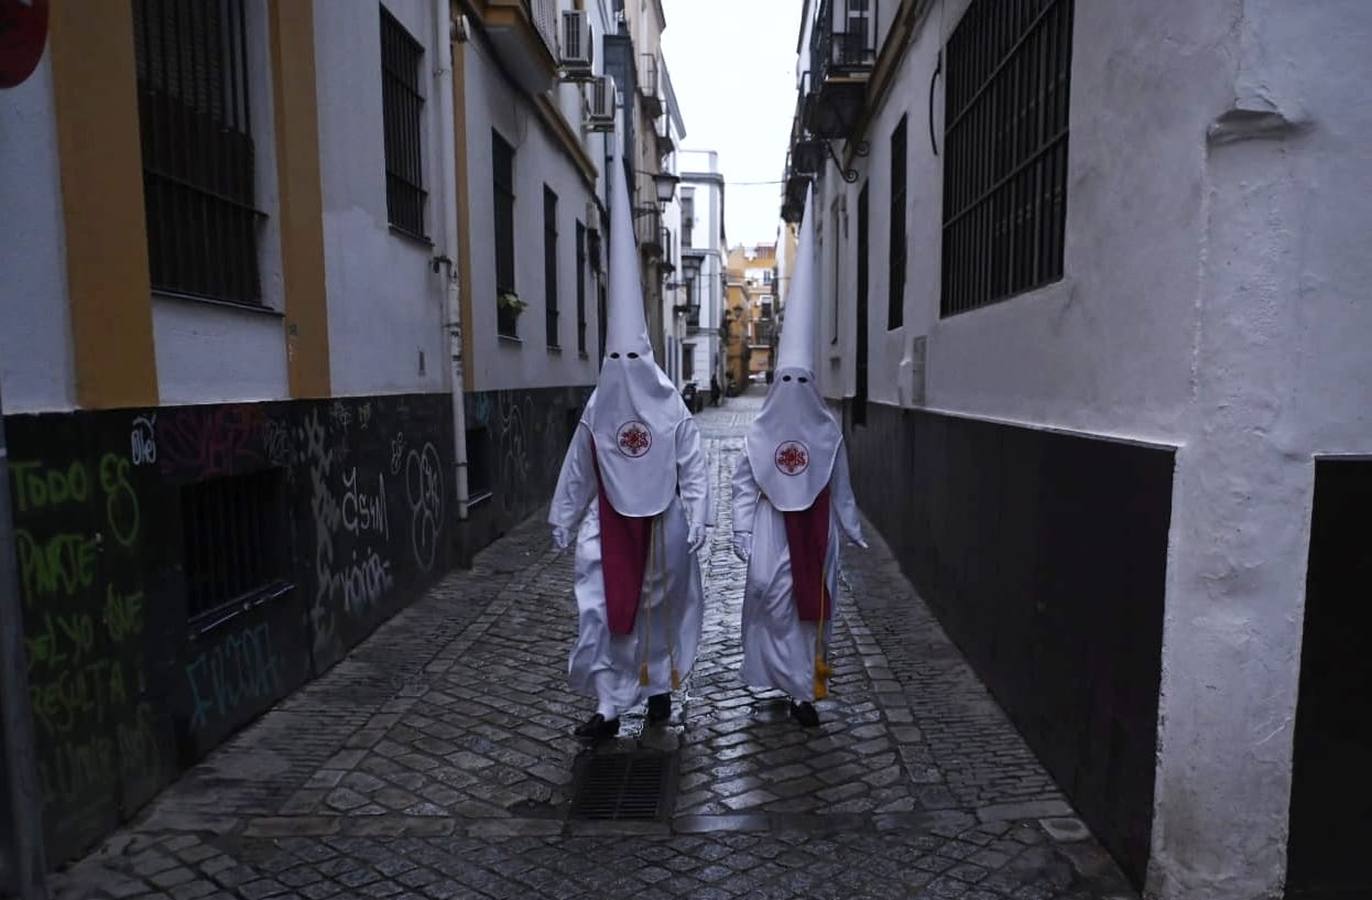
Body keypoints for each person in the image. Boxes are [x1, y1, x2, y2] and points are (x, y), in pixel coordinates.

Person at [549, 150, 712, 742]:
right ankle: (609, 707)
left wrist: (700, 516)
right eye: (612, 359)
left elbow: (694, 465)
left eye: (630, 358)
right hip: (609, 523)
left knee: (658, 614)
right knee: (602, 611)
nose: (621, 368)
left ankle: (661, 688)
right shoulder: (598, 407)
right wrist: (565, 517)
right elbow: (578, 468)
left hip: (663, 524)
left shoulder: (670, 405)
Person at [731, 188, 865, 728]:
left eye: (799, 380)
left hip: (815, 530)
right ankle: (774, 676)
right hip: (770, 526)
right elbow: (744, 482)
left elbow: (842, 485)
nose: (790, 386)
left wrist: (850, 527)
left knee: (810, 611)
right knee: (770, 600)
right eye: (783, 379)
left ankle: (804, 691)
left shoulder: (827, 431)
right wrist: (742, 530)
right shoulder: (760, 432)